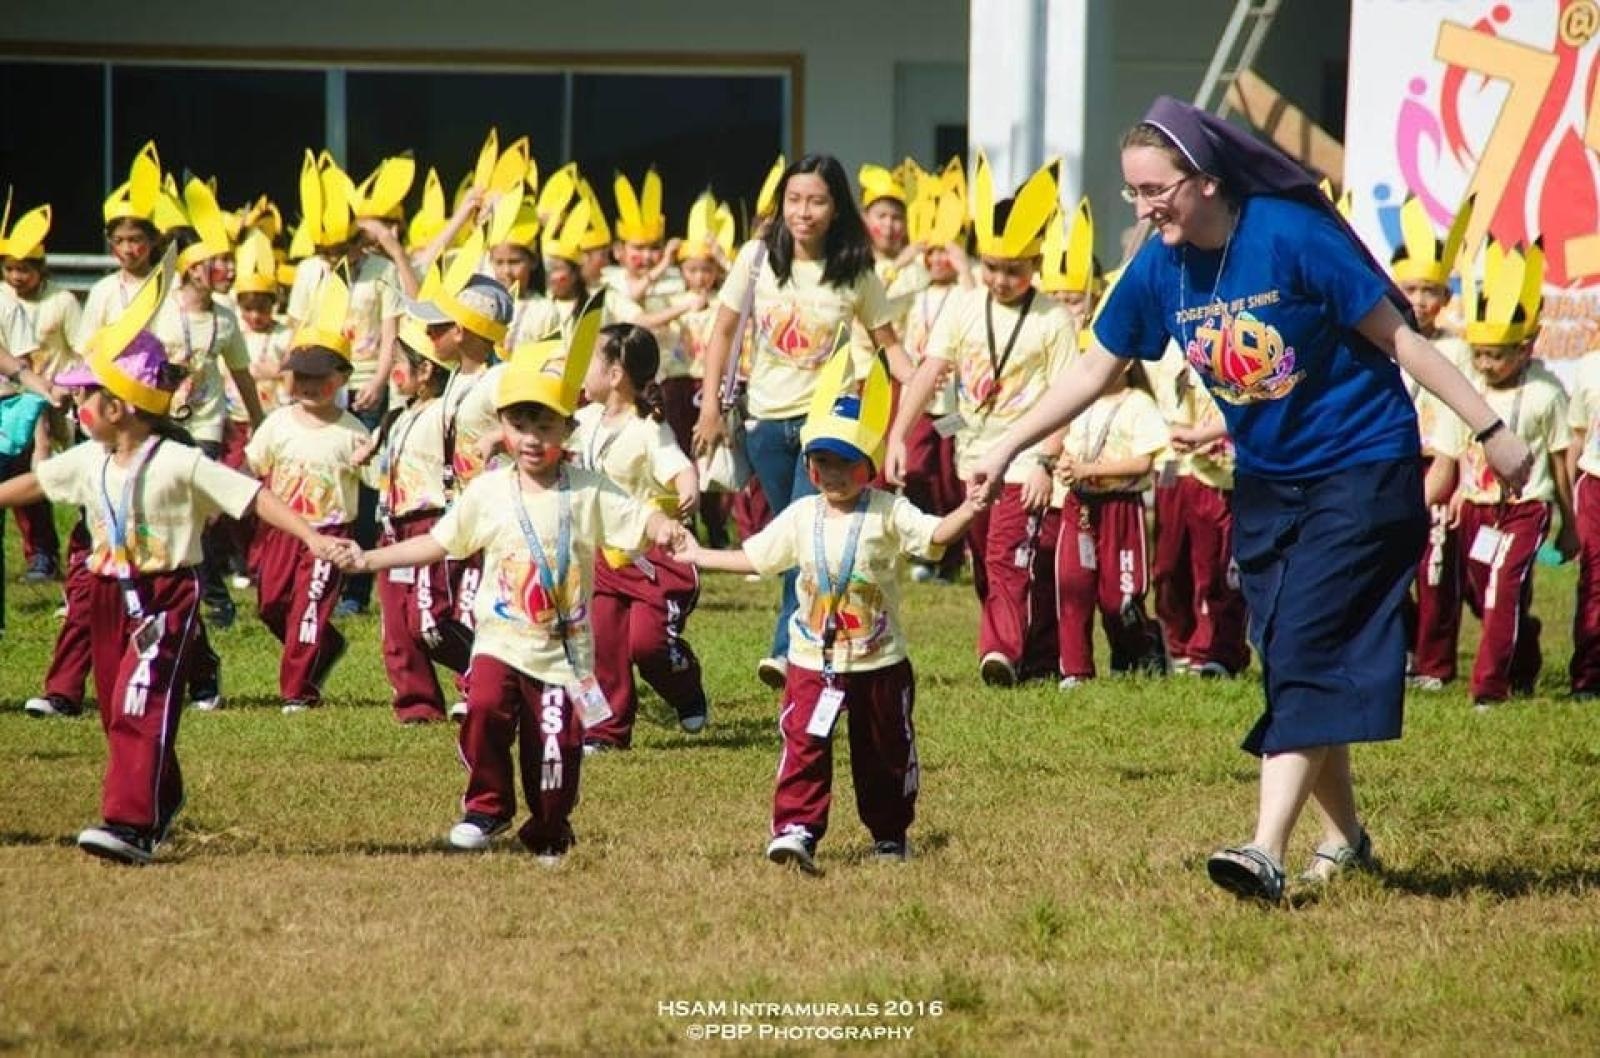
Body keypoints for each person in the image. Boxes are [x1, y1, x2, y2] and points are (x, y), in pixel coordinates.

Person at [966, 96, 1532, 904]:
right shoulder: (1161, 265)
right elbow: (1092, 370)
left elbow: (1400, 338)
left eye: (1153, 189)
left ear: (1204, 179)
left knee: (1303, 647)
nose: (1141, 206)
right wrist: (1006, 444)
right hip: (1268, 484)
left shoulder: (1292, 236)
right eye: (1130, 192)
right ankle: (1348, 839)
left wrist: (1491, 430)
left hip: (1363, 472)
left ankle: (1265, 850)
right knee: (1290, 658)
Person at [0, 256, 339, 865]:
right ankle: (163, 796)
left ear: (120, 406)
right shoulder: (90, 462)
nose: (79, 407)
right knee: (116, 709)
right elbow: (35, 484)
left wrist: (312, 537)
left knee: (141, 700)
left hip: (164, 599)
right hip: (106, 595)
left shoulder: (180, 462)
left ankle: (130, 825)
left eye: (89, 397)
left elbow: (253, 496)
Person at [331, 319, 681, 861]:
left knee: (555, 750)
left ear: (568, 429)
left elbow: (636, 519)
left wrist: (664, 528)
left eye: (545, 425)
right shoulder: (488, 491)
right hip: (499, 639)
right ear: (503, 426)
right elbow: (440, 543)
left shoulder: (588, 490)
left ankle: (547, 829)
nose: (532, 438)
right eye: (520, 424)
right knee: (485, 708)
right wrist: (368, 558)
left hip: (563, 652)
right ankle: (486, 807)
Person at [676, 344, 979, 873]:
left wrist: (972, 508)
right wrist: (696, 552)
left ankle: (889, 834)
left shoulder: (887, 512)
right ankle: (796, 828)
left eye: (845, 462)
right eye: (821, 462)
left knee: (882, 751)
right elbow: (755, 556)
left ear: (868, 466)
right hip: (812, 663)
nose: (832, 473)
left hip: (878, 663)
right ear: (810, 468)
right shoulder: (800, 515)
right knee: (803, 744)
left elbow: (933, 535)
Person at [692, 153, 912, 691]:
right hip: (766, 424)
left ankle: (788, 650)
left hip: (827, 426)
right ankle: (811, 636)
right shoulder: (756, 257)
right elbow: (721, 332)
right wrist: (710, 406)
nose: (803, 211)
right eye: (794, 200)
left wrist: (929, 385)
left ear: (836, 208)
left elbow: (891, 350)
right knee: (797, 529)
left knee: (802, 527)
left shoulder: (857, 271)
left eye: (816, 201)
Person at [885, 154, 1075, 687]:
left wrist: (1042, 460)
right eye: (991, 267)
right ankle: (1037, 656)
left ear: (1036, 265)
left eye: (1013, 270)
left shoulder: (1053, 320)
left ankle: (998, 652)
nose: (999, 279)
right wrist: (899, 433)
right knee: (991, 567)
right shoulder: (965, 306)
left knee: (1007, 558)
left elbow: (1067, 398)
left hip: (1020, 464)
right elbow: (930, 371)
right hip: (972, 459)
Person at [1427, 241, 1572, 710]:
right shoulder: (1465, 390)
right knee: (1479, 588)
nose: (1487, 365)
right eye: (1481, 354)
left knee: (1500, 589)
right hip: (1474, 508)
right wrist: (1437, 500)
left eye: (1498, 355)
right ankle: (1523, 647)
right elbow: (1449, 457)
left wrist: (1569, 522)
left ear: (1527, 346)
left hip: (1525, 510)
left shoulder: (1546, 394)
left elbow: (1560, 462)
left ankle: (1487, 689)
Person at [570, 323, 707, 751]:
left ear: (614, 375)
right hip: (604, 561)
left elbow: (678, 464)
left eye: (590, 361)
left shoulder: (649, 427)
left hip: (654, 560)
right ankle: (607, 731)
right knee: (605, 645)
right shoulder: (583, 419)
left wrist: (689, 487)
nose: (581, 370)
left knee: (648, 646)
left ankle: (685, 687)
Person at [245, 268, 369, 712]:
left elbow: (377, 481)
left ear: (342, 378)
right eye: (302, 376)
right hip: (280, 530)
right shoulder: (278, 422)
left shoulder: (353, 433)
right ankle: (327, 644)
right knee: (272, 605)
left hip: (329, 532)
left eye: (321, 377)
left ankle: (298, 690)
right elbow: (252, 466)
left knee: (309, 608)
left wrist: (372, 461)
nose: (311, 385)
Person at [356, 318, 473, 723]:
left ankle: (479, 673)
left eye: (400, 364)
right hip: (392, 526)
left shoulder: (446, 411)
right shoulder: (396, 416)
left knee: (429, 618)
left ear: (426, 370)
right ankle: (417, 704)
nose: (392, 374)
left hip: (430, 522)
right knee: (396, 627)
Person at [1390, 195, 1475, 691]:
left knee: (1435, 568)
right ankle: (1397, 648)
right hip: (1393, 468)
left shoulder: (1458, 350)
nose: (1420, 300)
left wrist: (1447, 484)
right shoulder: (1382, 338)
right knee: (1388, 565)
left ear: (1446, 296)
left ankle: (1435, 663)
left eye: (1430, 290)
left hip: (1442, 467)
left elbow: (1457, 426)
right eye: (1410, 289)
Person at [1052, 357, 1169, 686]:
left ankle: (1139, 647)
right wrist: (1064, 464)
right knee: (1073, 586)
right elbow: (1066, 446)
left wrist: (1090, 471)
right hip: (1080, 506)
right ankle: (1075, 670)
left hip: (1120, 508)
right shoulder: (1081, 400)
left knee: (1120, 597)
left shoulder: (1138, 404)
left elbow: (1143, 462)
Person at [897, 161, 974, 584]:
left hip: (956, 406)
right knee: (915, 470)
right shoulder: (918, 291)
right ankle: (924, 547)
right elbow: (886, 295)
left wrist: (964, 267)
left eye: (945, 250)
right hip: (921, 402)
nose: (937, 259)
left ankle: (951, 557)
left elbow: (976, 306)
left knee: (950, 478)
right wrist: (909, 257)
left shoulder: (970, 285)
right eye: (932, 251)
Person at [1, 201, 79, 582]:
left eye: (25, 269)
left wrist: (56, 395)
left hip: (37, 405)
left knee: (31, 483)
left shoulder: (59, 302)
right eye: (10, 268)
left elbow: (72, 351)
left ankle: (44, 555)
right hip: (18, 401)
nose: (17, 276)